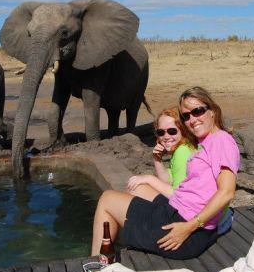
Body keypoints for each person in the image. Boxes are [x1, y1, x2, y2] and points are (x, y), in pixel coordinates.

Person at [90, 87, 239, 259]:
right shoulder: (207, 141)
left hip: (185, 229)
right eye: (186, 116)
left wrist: (188, 227)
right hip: (178, 214)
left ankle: (97, 264)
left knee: (107, 199)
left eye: (197, 111)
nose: (192, 119)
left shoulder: (222, 140)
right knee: (134, 189)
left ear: (212, 111)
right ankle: (113, 248)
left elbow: (226, 192)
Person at [126, 106, 197, 199]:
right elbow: (167, 181)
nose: (166, 137)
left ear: (183, 130)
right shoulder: (183, 147)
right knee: (135, 188)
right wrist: (157, 159)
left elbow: (179, 196)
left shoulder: (182, 152)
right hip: (190, 201)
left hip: (188, 204)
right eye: (161, 132)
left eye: (172, 131)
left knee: (135, 189)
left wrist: (149, 179)